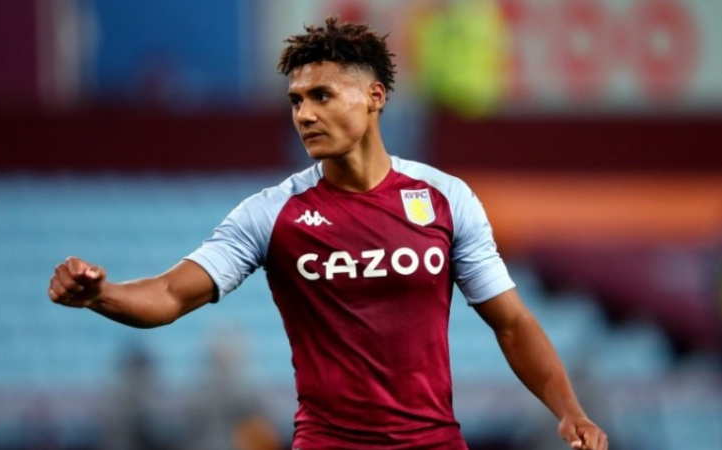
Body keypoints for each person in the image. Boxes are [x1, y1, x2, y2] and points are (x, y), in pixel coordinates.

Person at [48, 17, 608, 450]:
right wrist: (102, 294)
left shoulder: (445, 198)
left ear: (374, 98)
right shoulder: (271, 214)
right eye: (296, 100)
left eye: (322, 96)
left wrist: (568, 410)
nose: (304, 115)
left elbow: (511, 322)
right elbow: (171, 293)